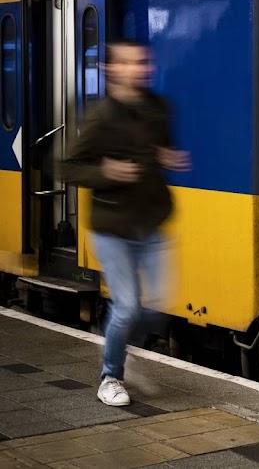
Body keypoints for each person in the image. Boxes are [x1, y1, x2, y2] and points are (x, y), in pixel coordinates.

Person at [62, 40, 190, 406]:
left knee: (159, 303)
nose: (140, 68)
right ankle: (110, 377)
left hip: (151, 224)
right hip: (111, 226)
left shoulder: (158, 108)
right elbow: (66, 167)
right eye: (131, 63)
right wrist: (105, 170)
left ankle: (124, 350)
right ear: (111, 69)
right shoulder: (100, 116)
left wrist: (167, 156)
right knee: (128, 305)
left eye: (144, 62)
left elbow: (160, 148)